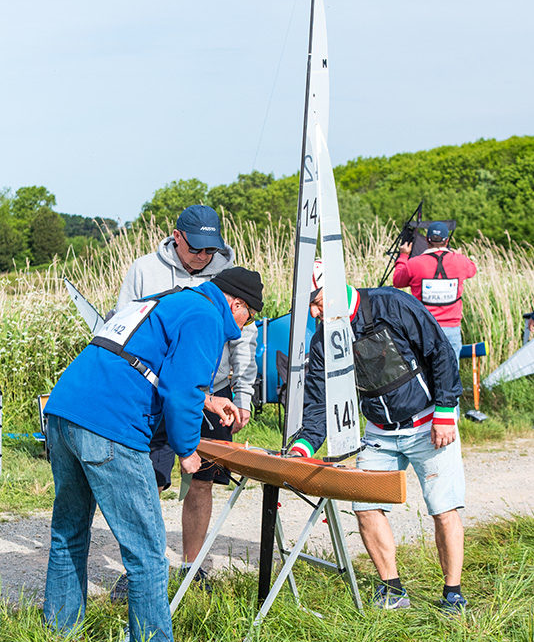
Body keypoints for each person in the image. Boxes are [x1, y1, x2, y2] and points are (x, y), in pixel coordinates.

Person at [43, 267, 263, 642]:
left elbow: (143, 363)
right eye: (250, 315)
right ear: (236, 304)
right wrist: (187, 450)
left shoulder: (169, 300)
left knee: (68, 532)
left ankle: (58, 638)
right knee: (147, 552)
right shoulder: (207, 316)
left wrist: (208, 400)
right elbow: (180, 392)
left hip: (63, 413)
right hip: (110, 425)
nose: (247, 324)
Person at [291, 265, 467, 614]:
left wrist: (446, 410)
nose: (313, 313)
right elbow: (318, 401)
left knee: (443, 508)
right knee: (365, 507)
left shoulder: (393, 303)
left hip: (428, 423)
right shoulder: (323, 341)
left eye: (317, 301)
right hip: (379, 432)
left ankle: (453, 593)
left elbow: (440, 351)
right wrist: (304, 446)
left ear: (336, 288)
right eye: (307, 305)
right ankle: (392, 589)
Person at [114, 204, 257, 596]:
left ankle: (193, 567)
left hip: (214, 391)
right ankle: (140, 568)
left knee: (202, 480)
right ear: (176, 236)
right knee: (149, 480)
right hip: (154, 391)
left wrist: (244, 395)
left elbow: (244, 339)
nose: (203, 257)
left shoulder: (228, 277)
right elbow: (124, 326)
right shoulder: (144, 270)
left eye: (211, 250)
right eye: (196, 248)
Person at [392, 221, 477, 365]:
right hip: (451, 328)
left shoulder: (414, 263)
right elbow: (472, 270)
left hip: (423, 328)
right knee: (450, 373)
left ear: (427, 240)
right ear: (447, 241)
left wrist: (403, 256)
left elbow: (397, 281)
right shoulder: (460, 262)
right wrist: (458, 255)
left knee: (424, 372)